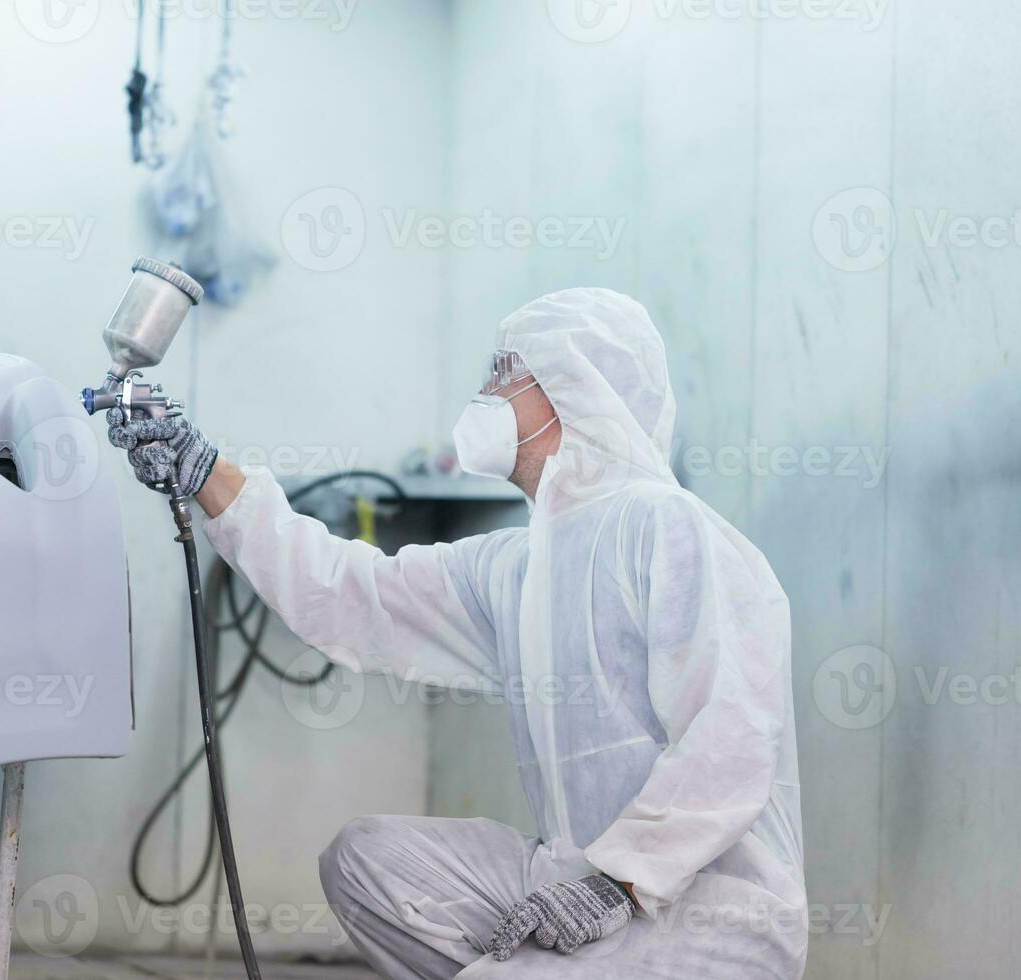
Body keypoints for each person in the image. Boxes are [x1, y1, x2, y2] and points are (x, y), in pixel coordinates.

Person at [108, 288, 807, 979]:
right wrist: (205, 472)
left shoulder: (669, 529)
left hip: (710, 913)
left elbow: (733, 736)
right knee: (365, 860)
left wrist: (620, 882)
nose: (486, 388)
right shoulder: (518, 564)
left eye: (507, 371)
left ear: (577, 387)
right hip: (571, 879)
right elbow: (352, 594)